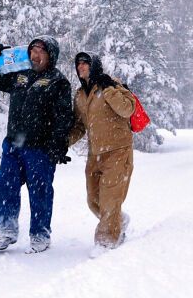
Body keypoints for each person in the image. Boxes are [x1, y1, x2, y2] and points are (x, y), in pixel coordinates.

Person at [0, 35, 74, 254]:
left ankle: (40, 234)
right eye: (33, 51)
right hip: (14, 145)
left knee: (40, 191)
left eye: (40, 52)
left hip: (40, 148)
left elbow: (63, 117)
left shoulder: (58, 81)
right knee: (5, 186)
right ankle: (7, 229)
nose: (35, 55)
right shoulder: (20, 75)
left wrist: (58, 145)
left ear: (50, 56)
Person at [69, 51, 136, 256]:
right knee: (93, 200)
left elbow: (127, 109)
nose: (81, 67)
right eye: (78, 64)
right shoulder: (80, 94)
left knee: (110, 199)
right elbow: (80, 126)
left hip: (118, 151)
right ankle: (118, 219)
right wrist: (62, 144)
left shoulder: (112, 84)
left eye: (85, 63)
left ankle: (106, 241)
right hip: (95, 154)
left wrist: (109, 89)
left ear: (94, 65)